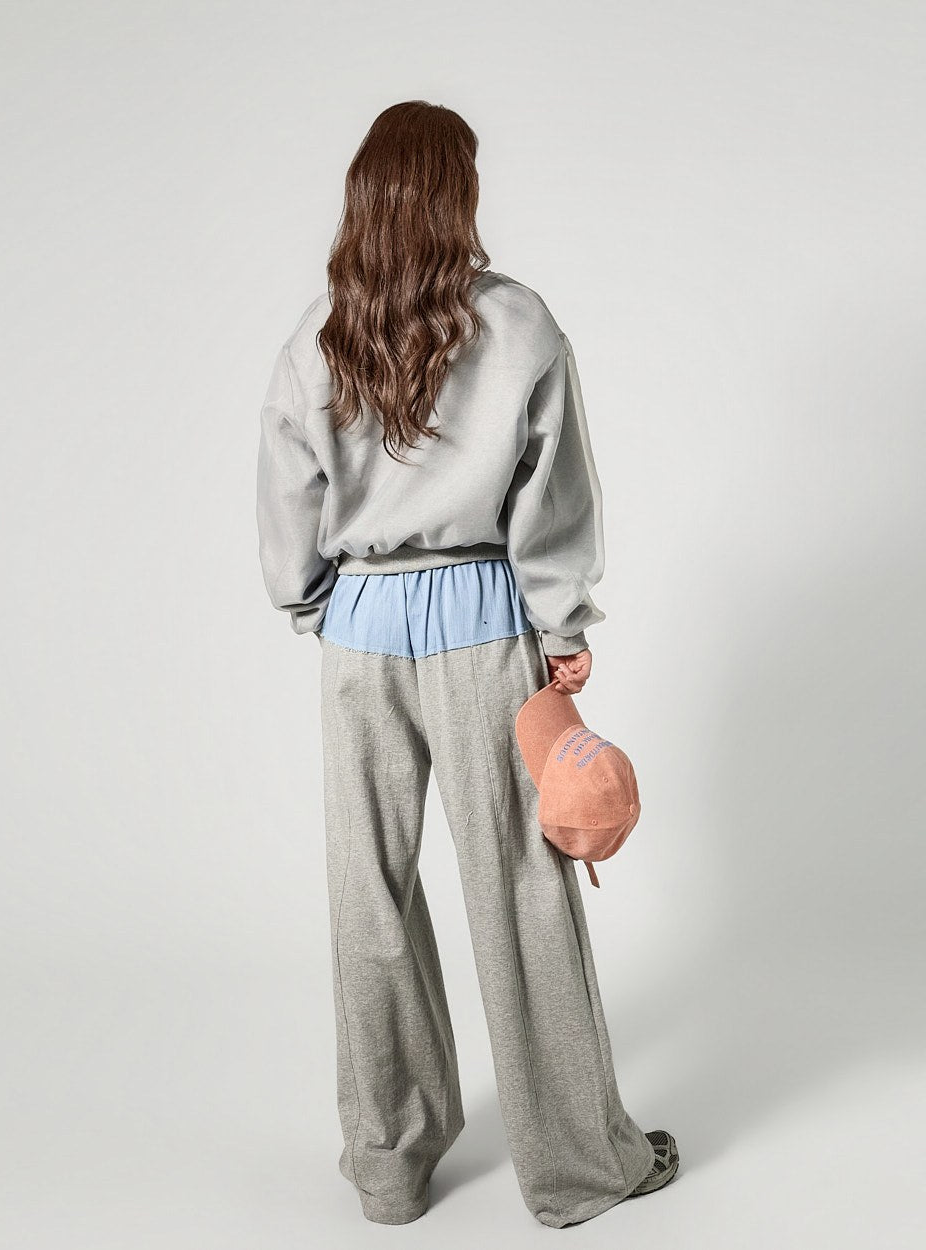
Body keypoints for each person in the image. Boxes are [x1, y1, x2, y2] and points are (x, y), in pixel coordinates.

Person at [255, 100, 678, 1229]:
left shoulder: (318, 333)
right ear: (459, 193)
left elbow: (288, 496)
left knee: (368, 896)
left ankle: (389, 1168)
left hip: (358, 628)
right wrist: (561, 628)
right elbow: (553, 491)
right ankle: (578, 1169)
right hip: (482, 617)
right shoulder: (518, 322)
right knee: (522, 889)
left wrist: (318, 602)